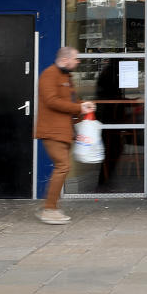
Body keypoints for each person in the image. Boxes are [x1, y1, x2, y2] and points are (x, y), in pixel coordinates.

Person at [36, 46, 95, 224]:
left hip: (63, 131)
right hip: (52, 131)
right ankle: (49, 209)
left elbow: (71, 101)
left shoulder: (66, 77)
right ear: (65, 59)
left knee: (63, 167)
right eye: (75, 59)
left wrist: (83, 105)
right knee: (62, 167)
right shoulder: (49, 74)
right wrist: (79, 108)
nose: (78, 62)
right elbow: (52, 101)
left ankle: (50, 207)